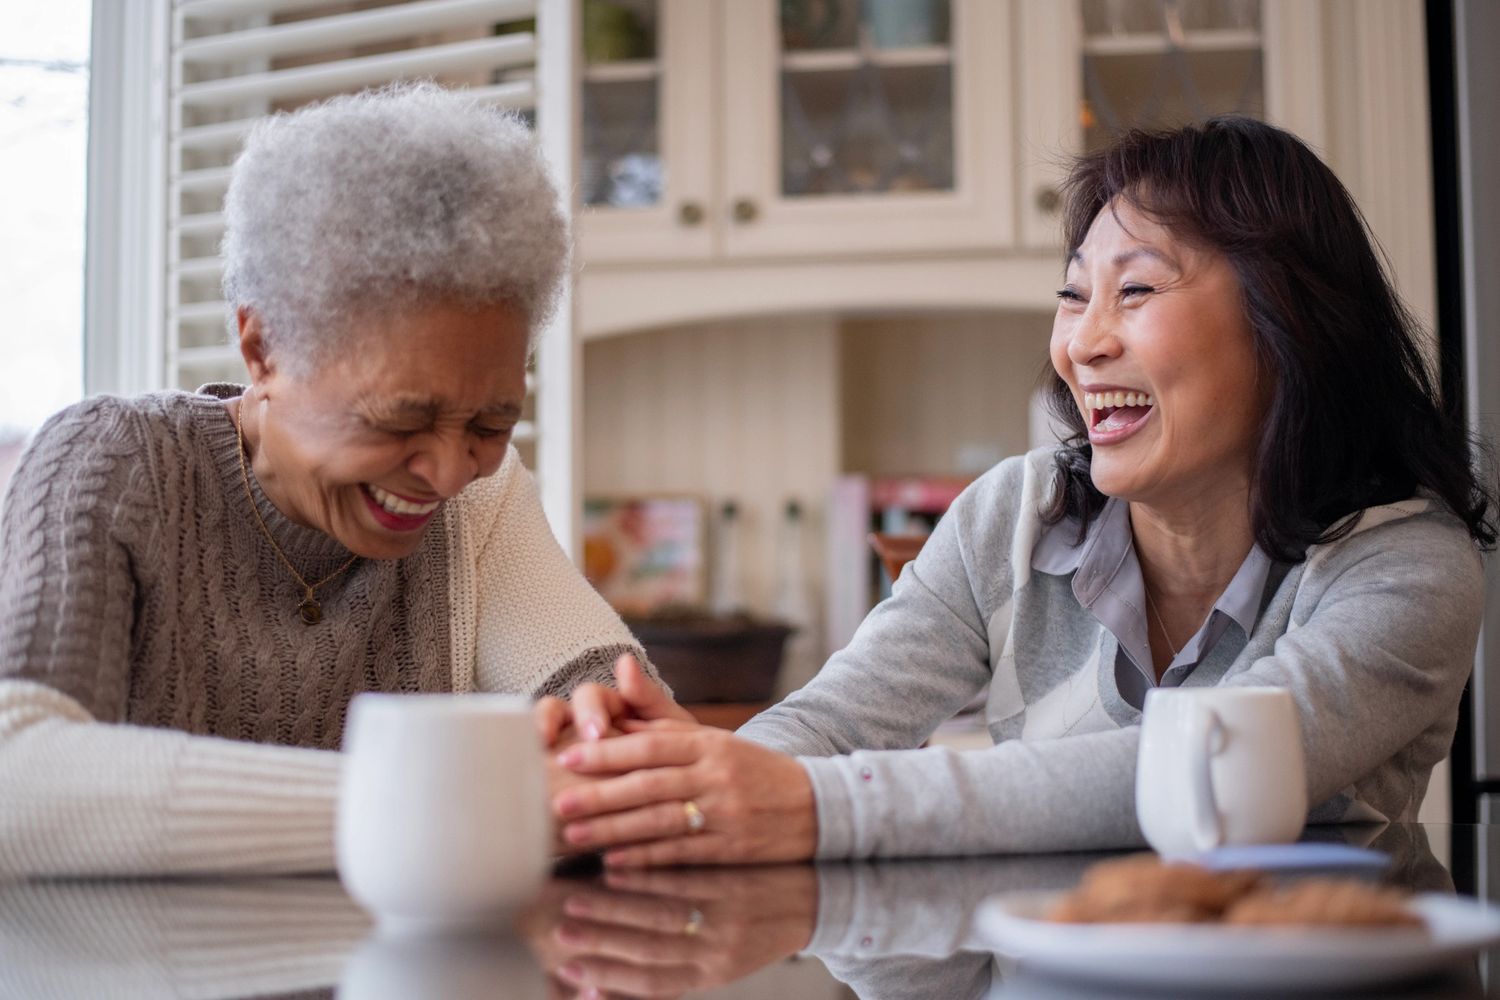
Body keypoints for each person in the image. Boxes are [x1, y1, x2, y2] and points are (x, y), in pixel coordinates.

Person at [542, 116, 1495, 866]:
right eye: (1074, 295)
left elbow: (1195, 773)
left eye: (1137, 292)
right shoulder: (1015, 513)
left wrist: (809, 801)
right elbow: (833, 723)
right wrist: (694, 771)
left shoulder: (1405, 567)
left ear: (1285, 327)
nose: (1083, 344)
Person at [0, 83, 660, 878]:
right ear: (264, 348)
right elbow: (18, 775)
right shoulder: (115, 464)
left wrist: (610, 741)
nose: (451, 472)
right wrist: (430, 805)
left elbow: (641, 756)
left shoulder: (481, 503)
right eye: (399, 420)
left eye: (490, 423)